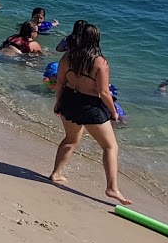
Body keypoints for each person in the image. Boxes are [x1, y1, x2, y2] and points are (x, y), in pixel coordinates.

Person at [50, 23, 132, 204]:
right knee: (110, 147)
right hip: (90, 106)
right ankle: (112, 188)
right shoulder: (100, 63)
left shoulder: (67, 57)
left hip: (69, 101)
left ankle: (56, 173)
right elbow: (104, 92)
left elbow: (60, 83)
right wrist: (113, 112)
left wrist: (58, 103)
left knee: (70, 139)